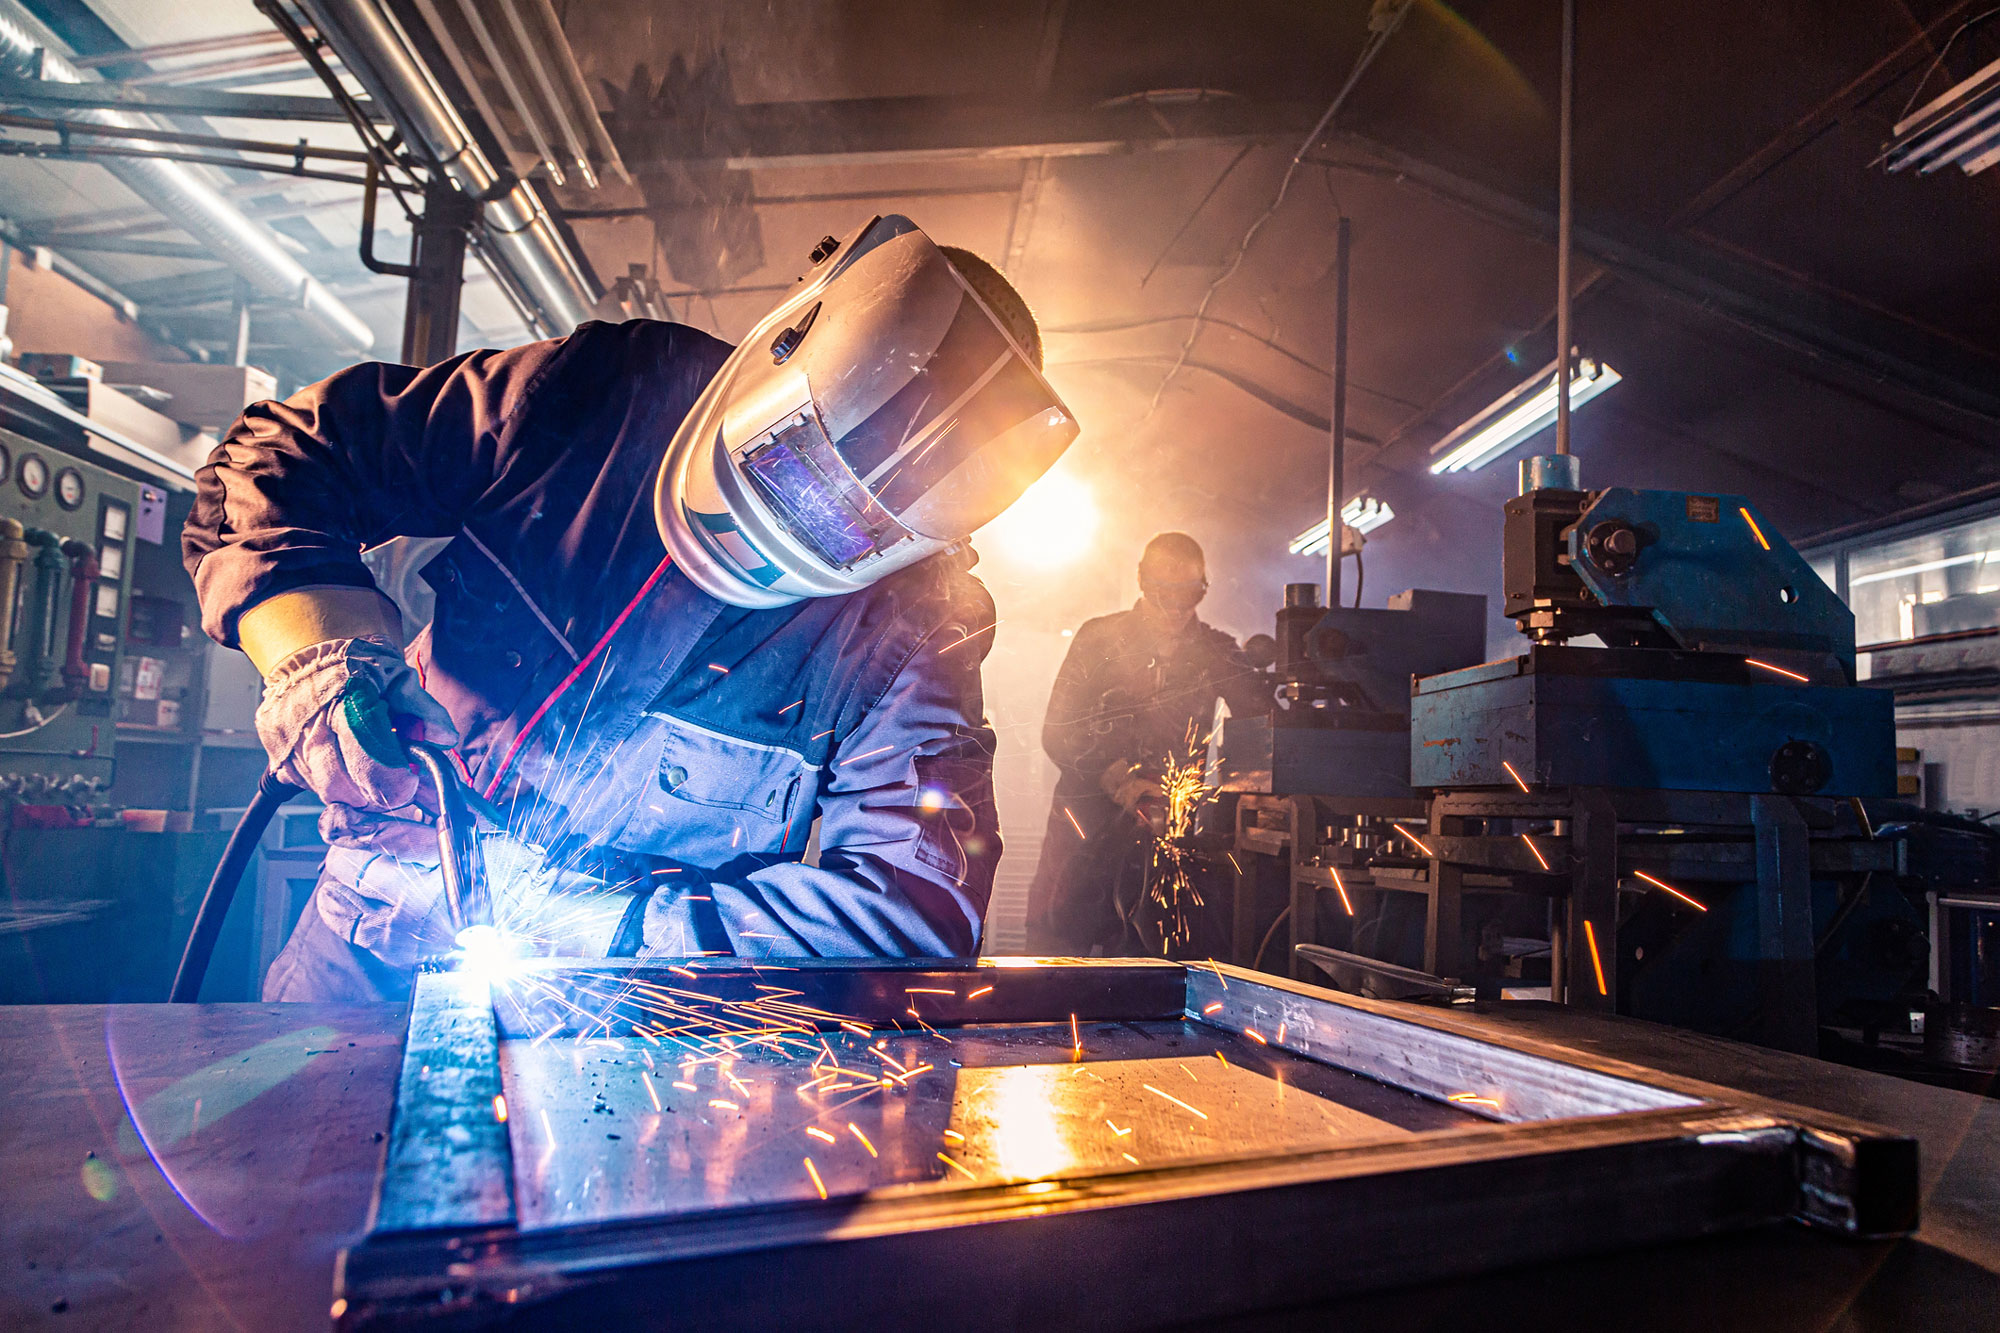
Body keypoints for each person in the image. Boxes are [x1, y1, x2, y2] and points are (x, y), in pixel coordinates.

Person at [184, 215, 1079, 1001]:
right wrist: (320, 659)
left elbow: (911, 919)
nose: (793, 527)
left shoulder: (915, 625)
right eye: (793, 467)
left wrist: (594, 926)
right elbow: (284, 456)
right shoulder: (597, 397)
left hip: (620, 1013)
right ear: (790, 356)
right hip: (369, 929)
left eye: (852, 526)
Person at [1023, 532, 1258, 955]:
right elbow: (1058, 730)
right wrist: (1120, 781)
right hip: (1085, 825)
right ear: (1142, 581)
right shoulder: (1098, 640)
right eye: (1163, 592)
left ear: (1203, 589)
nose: (1175, 607)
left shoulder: (1217, 652)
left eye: (1188, 593)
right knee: (1056, 948)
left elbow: (1265, 724)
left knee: (1158, 953)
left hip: (1169, 830)